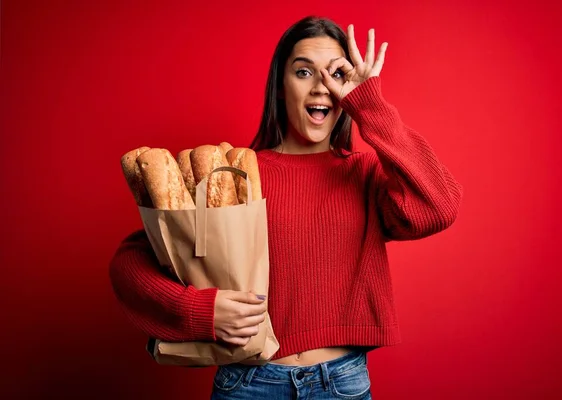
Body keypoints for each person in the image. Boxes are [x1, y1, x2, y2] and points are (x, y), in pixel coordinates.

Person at [109, 15, 463, 399]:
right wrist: (199, 310)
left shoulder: (365, 175)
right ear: (280, 86)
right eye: (303, 72)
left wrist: (371, 105)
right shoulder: (238, 175)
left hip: (342, 385)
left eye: (336, 75)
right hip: (249, 385)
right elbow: (130, 262)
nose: (321, 87)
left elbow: (439, 206)